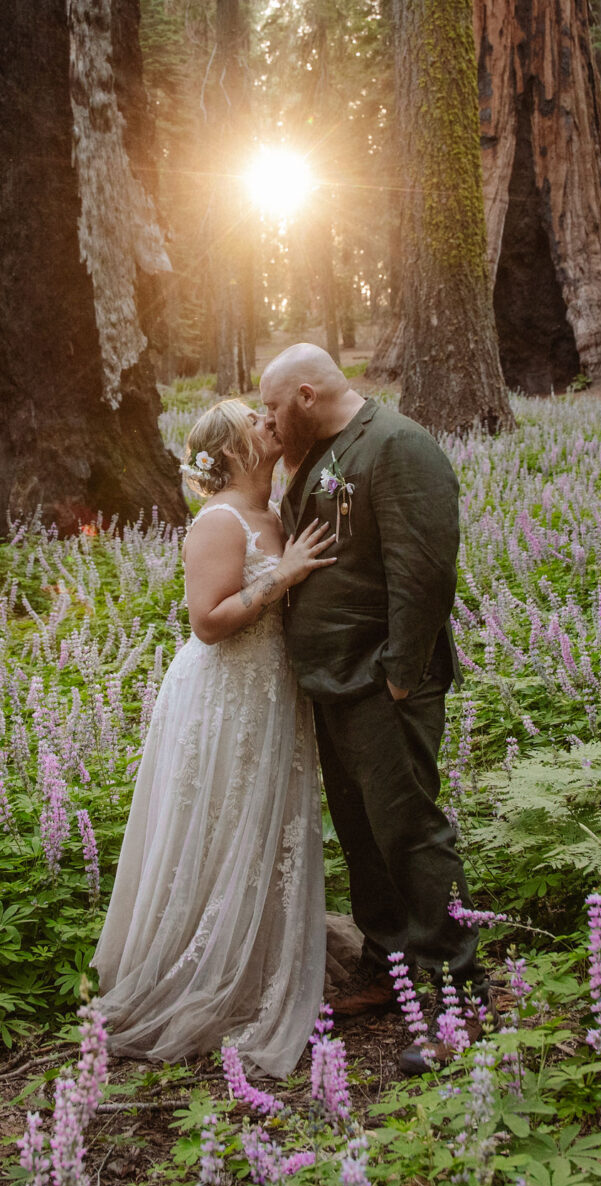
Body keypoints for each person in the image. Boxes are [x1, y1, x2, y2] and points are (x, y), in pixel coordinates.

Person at [90, 399, 338, 1076]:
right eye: (258, 419)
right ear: (233, 450)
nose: (272, 422)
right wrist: (281, 577)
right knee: (220, 817)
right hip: (223, 693)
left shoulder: (278, 512)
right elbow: (207, 620)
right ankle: (198, 965)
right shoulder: (218, 521)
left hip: (272, 691)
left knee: (261, 825)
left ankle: (254, 949)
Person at [259, 343, 478, 1071]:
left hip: (384, 686)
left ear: (309, 394)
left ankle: (458, 994)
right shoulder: (320, 452)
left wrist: (399, 676)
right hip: (334, 686)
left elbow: (425, 569)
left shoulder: (398, 446)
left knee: (410, 831)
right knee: (362, 835)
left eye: (272, 408)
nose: (267, 421)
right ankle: (389, 968)